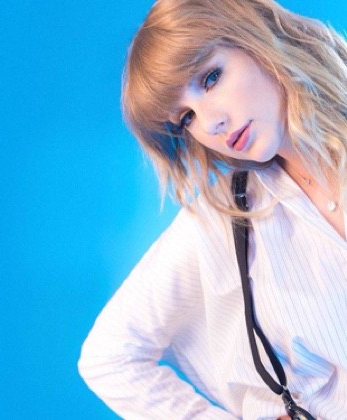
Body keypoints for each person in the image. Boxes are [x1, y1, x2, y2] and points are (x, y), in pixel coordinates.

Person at [78, 0, 347, 418]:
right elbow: (109, 356)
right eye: (186, 117)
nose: (211, 123)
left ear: (255, 38)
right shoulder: (229, 214)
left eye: (210, 78)